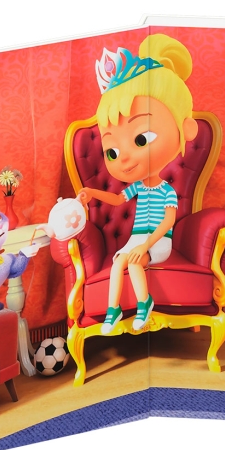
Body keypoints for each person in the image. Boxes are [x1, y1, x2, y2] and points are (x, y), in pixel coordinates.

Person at [78, 33, 199, 334]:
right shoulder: (138, 188)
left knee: (133, 262)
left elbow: (167, 222)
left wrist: (146, 245)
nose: (126, 157)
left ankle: (145, 304)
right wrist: (91, 193)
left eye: (142, 139)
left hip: (158, 242)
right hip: (136, 239)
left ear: (186, 129)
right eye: (113, 152)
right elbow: (118, 200)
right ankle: (113, 310)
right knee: (119, 262)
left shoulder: (167, 191)